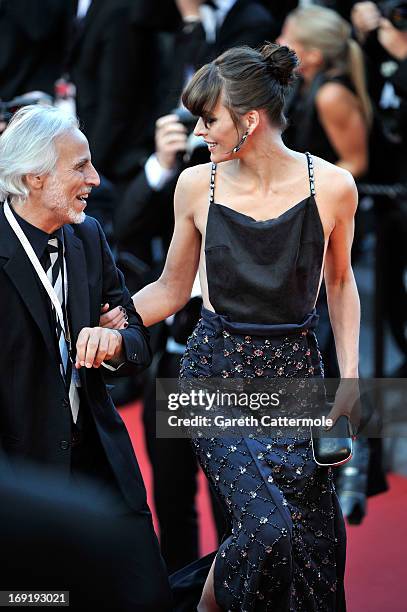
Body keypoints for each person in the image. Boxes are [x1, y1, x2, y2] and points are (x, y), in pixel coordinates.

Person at [103, 43, 360, 611]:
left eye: (209, 119)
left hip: (296, 375)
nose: (200, 132)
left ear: (250, 118)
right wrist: (106, 323)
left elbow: (341, 285)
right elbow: (172, 289)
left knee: (315, 550)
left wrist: (350, 387)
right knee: (268, 530)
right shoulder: (198, 185)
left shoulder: (335, 187)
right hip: (212, 373)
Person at [0, 105, 172, 611]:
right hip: (23, 473)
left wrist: (117, 345)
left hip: (101, 459)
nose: (95, 180)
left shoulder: (87, 236)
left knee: (147, 595)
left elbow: (138, 337)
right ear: (34, 177)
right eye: (80, 167)